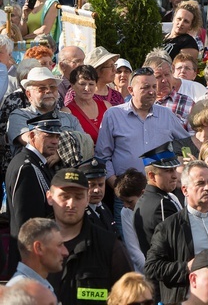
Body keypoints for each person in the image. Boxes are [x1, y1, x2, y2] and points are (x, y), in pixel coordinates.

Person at [145, 161, 208, 304]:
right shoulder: (169, 227)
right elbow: (152, 268)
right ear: (185, 190)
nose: (207, 188)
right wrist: (186, 267)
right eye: (200, 183)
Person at [95, 66, 189, 193]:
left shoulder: (166, 115)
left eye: (154, 87)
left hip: (162, 192)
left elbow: (186, 146)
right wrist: (116, 185)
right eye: (145, 87)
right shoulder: (114, 115)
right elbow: (103, 156)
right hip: (127, 194)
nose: (151, 92)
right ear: (131, 90)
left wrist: (179, 171)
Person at [46, 168, 132, 304]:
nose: (71, 204)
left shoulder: (109, 247)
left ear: (87, 199)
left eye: (78, 197)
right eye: (65, 196)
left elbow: (130, 298)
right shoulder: (37, 247)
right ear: (50, 197)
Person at [5, 113, 62, 273]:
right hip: (30, 260)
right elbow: (27, 224)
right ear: (31, 135)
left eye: (57, 136)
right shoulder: (27, 168)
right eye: (49, 135)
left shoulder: (36, 163)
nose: (55, 141)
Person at [133, 142, 183, 254]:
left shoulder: (149, 199)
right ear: (151, 176)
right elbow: (177, 245)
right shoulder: (161, 204)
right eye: (168, 171)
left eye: (174, 169)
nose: (175, 175)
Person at [6, 218, 66, 298]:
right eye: (59, 245)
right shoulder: (22, 293)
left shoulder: (37, 288)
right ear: (38, 248)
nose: (65, 252)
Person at [62, 65, 111, 144]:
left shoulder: (107, 106)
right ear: (72, 85)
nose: (87, 88)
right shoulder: (67, 112)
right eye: (82, 84)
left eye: (91, 84)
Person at [114, 168, 148, 273]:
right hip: (144, 275)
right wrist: (152, 273)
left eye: (129, 201)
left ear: (143, 194)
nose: (125, 206)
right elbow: (134, 251)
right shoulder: (126, 212)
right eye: (123, 201)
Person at [77, 156, 116, 234]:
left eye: (100, 185)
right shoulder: (79, 214)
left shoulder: (103, 208)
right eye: (91, 185)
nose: (97, 190)